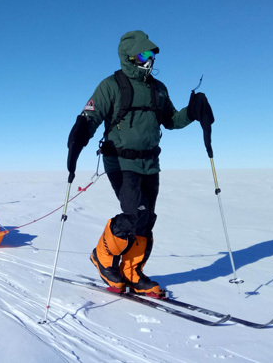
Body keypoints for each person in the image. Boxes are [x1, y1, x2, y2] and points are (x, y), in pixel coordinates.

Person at [66, 30, 213, 297]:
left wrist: (192, 112)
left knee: (146, 220)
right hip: (120, 162)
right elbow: (92, 116)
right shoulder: (112, 85)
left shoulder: (158, 89)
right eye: (144, 54)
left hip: (150, 163)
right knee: (134, 215)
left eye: (152, 53)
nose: (150, 59)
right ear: (129, 57)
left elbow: (170, 121)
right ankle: (103, 256)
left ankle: (132, 273)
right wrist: (79, 135)